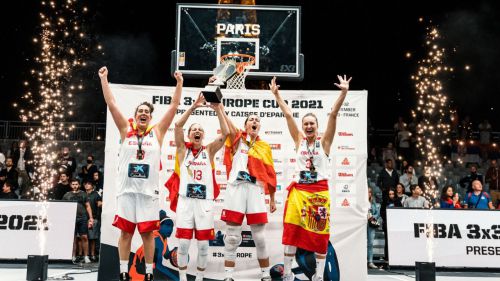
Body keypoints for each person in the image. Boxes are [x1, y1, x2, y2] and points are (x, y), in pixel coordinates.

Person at [98, 66, 183, 281]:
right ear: (135, 116)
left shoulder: (158, 132)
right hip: (126, 191)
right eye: (140, 111)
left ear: (150, 116)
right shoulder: (125, 130)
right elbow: (111, 103)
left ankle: (148, 273)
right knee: (125, 233)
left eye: (147, 111)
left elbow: (173, 106)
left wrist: (179, 83)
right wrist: (104, 79)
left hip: (148, 194)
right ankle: (124, 271)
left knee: (147, 234)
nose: (143, 113)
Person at [270, 75, 351, 281]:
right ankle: (287, 274)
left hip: (319, 193)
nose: (308, 126)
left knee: (320, 234)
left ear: (317, 126)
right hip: (298, 193)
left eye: (311, 124)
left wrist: (343, 93)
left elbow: (332, 115)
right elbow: (288, 116)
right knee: (292, 232)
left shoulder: (324, 143)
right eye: (305, 123)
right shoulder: (299, 140)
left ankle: (318, 276)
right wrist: (277, 95)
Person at [165, 94, 229, 281]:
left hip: (204, 203)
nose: (197, 131)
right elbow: (177, 125)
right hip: (186, 202)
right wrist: (193, 107)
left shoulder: (208, 150)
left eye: (200, 129)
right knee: (183, 244)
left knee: (203, 246)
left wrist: (218, 110)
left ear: (203, 135)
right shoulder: (182, 150)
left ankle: (200, 278)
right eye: (194, 129)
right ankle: (183, 277)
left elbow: (225, 134)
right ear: (189, 134)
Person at [218, 89, 277, 281]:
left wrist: (272, 198)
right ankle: (228, 276)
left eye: (257, 119)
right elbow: (225, 119)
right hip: (236, 188)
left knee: (259, 237)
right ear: (245, 125)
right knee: (233, 236)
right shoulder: (237, 139)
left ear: (259, 126)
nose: (254, 121)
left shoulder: (264, 147)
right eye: (250, 119)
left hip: (254, 190)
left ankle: (265, 275)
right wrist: (217, 101)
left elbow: (270, 174)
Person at [62, 179, 94, 264]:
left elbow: (88, 206)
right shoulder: (66, 195)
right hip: (71, 218)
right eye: (73, 184)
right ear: (70, 185)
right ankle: (73, 256)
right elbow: (63, 207)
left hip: (82, 218)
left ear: (79, 185)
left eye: (76, 184)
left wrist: (91, 218)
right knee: (73, 238)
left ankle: (86, 256)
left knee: (84, 237)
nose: (75, 186)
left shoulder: (83, 194)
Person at [83, 180, 102, 262]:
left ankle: (93, 255)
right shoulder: (82, 194)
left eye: (89, 184)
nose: (87, 185)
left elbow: (100, 204)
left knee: (93, 238)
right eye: (85, 184)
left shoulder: (96, 194)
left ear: (92, 186)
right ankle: (84, 255)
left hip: (93, 218)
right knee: (84, 238)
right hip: (83, 218)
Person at [367, 187, 381, 269]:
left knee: (371, 243)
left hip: (371, 225)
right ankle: (361, 261)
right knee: (361, 244)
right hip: (361, 225)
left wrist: (372, 217)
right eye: (367, 192)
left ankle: (370, 261)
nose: (368, 194)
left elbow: (377, 213)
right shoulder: (361, 203)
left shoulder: (373, 203)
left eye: (369, 192)